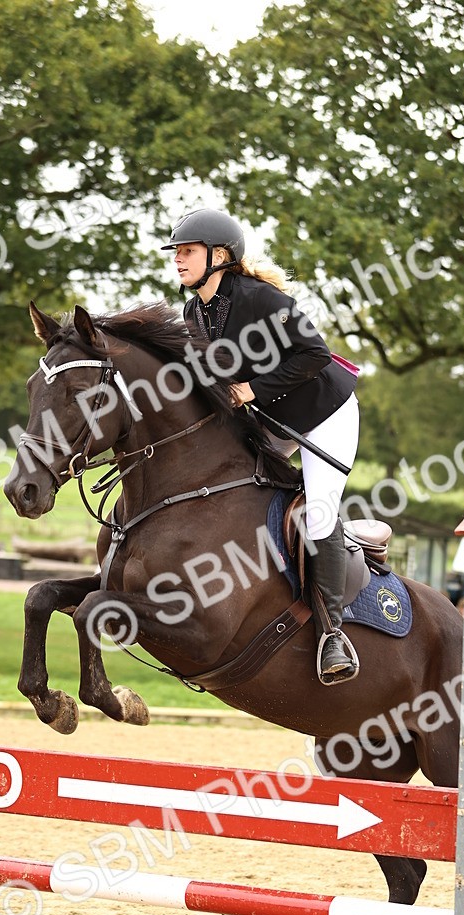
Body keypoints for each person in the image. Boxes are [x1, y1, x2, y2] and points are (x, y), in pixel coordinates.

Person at [162, 207, 361, 685]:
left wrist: (251, 390)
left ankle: (333, 634)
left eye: (187, 251)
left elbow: (315, 354)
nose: (178, 260)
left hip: (326, 415)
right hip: (274, 419)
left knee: (319, 513)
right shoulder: (194, 313)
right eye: (176, 253)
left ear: (219, 256)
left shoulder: (259, 298)